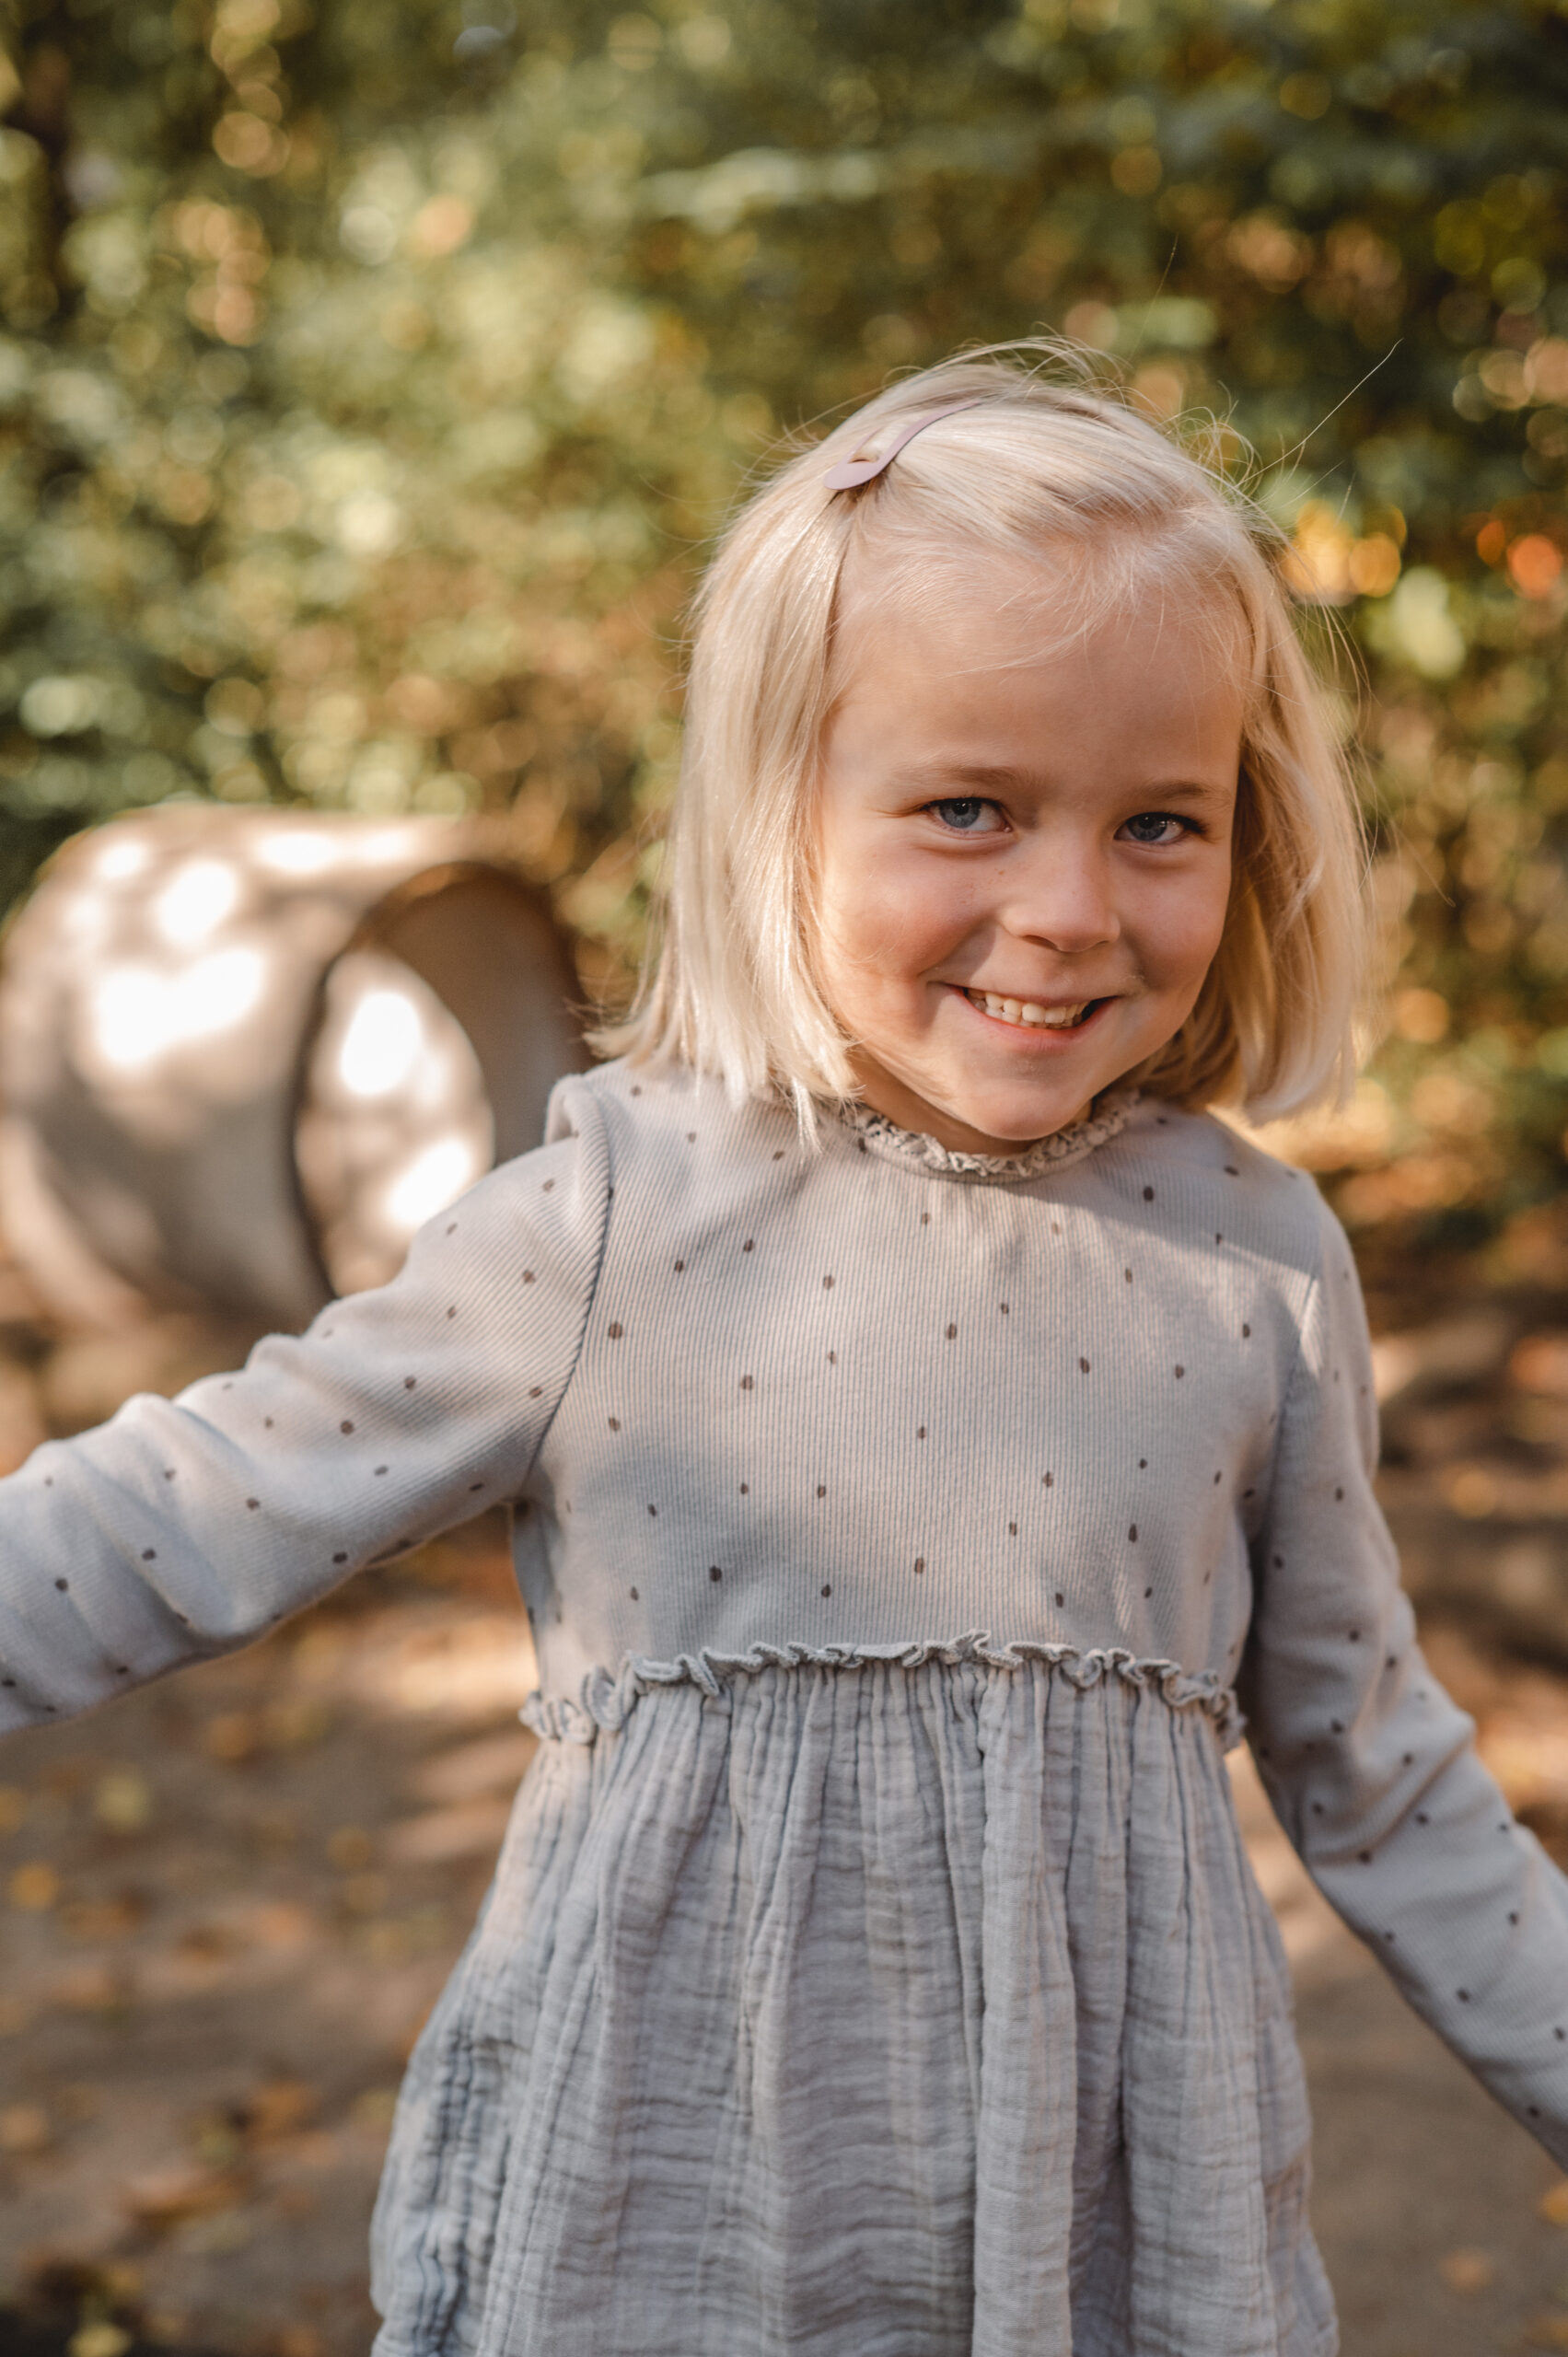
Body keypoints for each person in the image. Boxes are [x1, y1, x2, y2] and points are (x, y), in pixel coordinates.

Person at [2, 345, 1564, 2357]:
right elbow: (182, 1508)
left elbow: (1383, 1773)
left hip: (1094, 2233)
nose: (1071, 906)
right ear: (774, 816)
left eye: (1161, 821)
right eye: (969, 805)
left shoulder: (1255, 1263)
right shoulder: (615, 1216)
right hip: (665, 2213)